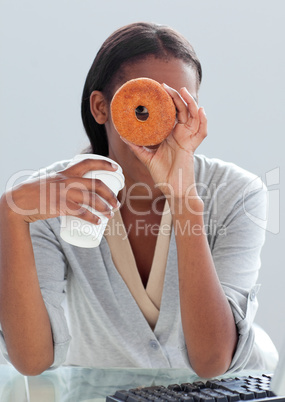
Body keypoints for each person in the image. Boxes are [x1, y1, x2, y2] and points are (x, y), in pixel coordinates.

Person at [0, 22, 269, 378]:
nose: (161, 124)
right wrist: (10, 215)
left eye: (177, 108)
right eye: (143, 106)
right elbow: (32, 360)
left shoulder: (238, 193)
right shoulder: (52, 199)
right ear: (101, 107)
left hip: (234, 390)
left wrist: (184, 197)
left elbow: (212, 362)